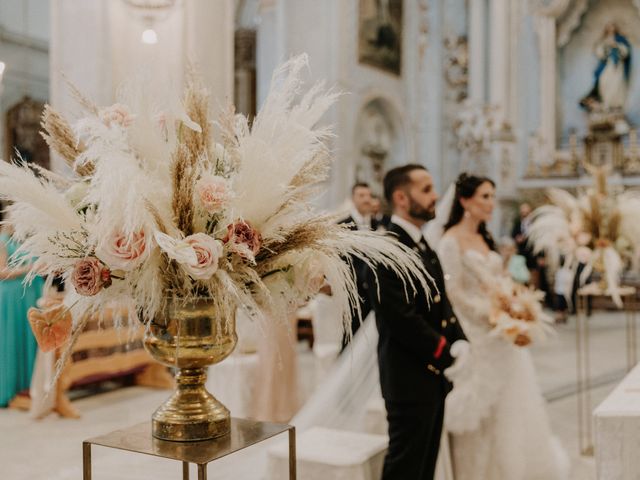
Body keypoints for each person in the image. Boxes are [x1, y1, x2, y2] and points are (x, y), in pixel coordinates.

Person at [437, 173, 569, 480]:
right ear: (464, 200)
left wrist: (516, 307)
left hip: (501, 335)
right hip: (475, 336)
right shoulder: (449, 241)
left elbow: (499, 282)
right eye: (485, 196)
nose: (491, 203)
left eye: (492, 196)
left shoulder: (485, 237)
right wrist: (492, 315)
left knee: (511, 409)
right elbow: (454, 293)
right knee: (482, 412)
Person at [369, 164, 468, 480]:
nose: (435, 196)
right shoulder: (387, 248)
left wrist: (460, 338)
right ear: (400, 197)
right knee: (405, 467)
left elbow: (442, 302)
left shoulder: (422, 244)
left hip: (432, 376)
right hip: (408, 378)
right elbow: (401, 318)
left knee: (425, 465)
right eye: (425, 189)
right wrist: (444, 351)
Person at [0, 225, 44, 407]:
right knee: (13, 339)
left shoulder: (25, 240)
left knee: (29, 339)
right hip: (12, 299)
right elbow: (2, 272)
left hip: (30, 297)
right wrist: (30, 268)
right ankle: (12, 388)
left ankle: (30, 387)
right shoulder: (2, 241)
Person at [339, 182, 375, 351]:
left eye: (368, 195)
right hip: (353, 292)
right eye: (362, 196)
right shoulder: (343, 225)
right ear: (353, 198)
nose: (366, 199)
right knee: (352, 337)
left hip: (376, 292)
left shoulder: (378, 224)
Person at [580, 22, 631, 111]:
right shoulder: (604, 40)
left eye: (613, 28)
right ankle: (606, 103)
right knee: (604, 80)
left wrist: (617, 46)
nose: (611, 30)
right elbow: (599, 52)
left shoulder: (620, 39)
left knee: (617, 84)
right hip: (607, 64)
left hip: (617, 66)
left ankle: (616, 105)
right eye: (609, 28)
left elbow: (625, 52)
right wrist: (606, 48)